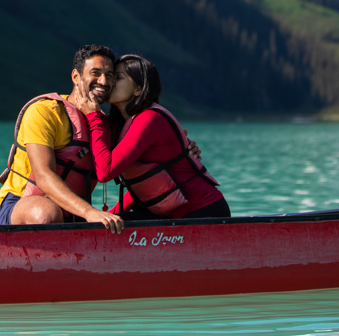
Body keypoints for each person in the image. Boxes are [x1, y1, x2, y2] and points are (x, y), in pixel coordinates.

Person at [78, 53, 230, 220]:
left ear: (138, 89)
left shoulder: (149, 119)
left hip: (204, 212)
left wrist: (93, 117)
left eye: (118, 78)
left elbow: (105, 173)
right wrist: (110, 215)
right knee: (110, 225)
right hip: (168, 215)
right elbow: (144, 180)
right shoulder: (119, 124)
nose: (110, 83)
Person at [0, 44, 124, 232]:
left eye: (109, 75)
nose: (103, 81)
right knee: (47, 214)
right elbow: (43, 176)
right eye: (95, 73)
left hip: (75, 213)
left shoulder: (104, 124)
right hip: (22, 206)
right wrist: (90, 213)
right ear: (76, 77)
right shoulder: (44, 111)